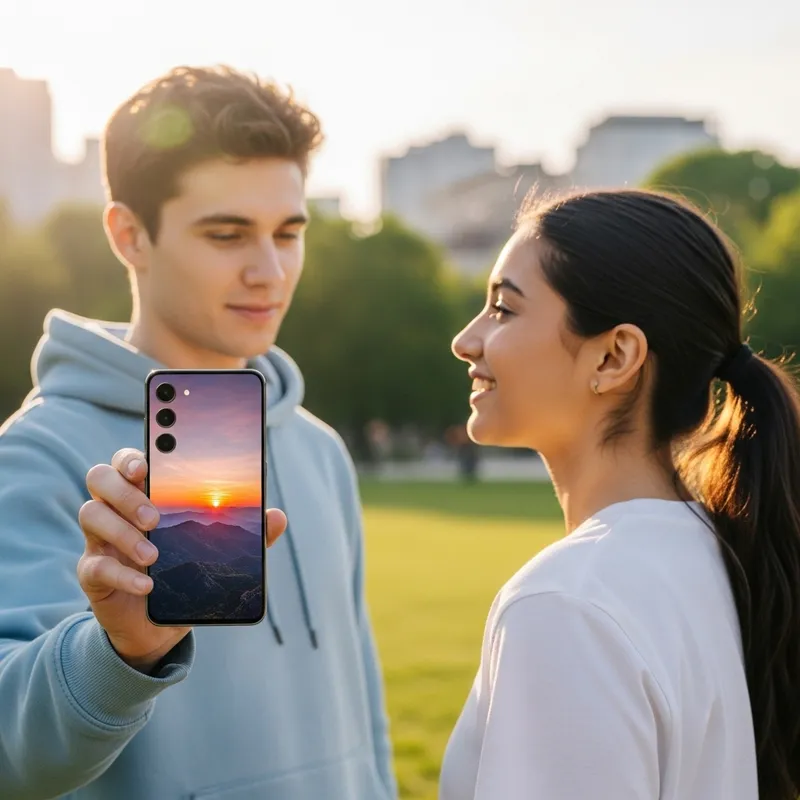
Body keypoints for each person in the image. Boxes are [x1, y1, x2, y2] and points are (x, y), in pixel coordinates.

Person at [0, 65, 396, 800]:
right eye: (227, 234)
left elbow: (360, 716)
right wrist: (120, 651)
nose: (270, 271)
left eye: (288, 233)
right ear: (129, 235)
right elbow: (8, 757)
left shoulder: (318, 448)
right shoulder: (37, 455)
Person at [439, 188, 800, 800]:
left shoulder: (566, 603)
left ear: (614, 356)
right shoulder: (722, 557)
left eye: (503, 309)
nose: (466, 340)